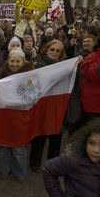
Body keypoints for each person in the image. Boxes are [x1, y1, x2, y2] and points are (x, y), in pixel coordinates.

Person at [0, 49, 34, 181]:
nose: (15, 64)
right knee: (3, 145)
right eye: (12, 61)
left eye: (18, 61)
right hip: (4, 116)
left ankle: (19, 172)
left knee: (19, 147)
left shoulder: (30, 76)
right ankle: (3, 170)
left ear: (23, 62)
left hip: (21, 117)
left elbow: (32, 95)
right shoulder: (1, 74)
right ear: (8, 61)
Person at [29, 39, 67, 172]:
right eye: (52, 49)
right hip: (42, 105)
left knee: (56, 137)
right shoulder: (38, 64)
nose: (55, 52)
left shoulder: (65, 66)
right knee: (40, 135)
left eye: (58, 51)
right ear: (46, 49)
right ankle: (35, 163)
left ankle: (52, 164)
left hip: (57, 106)